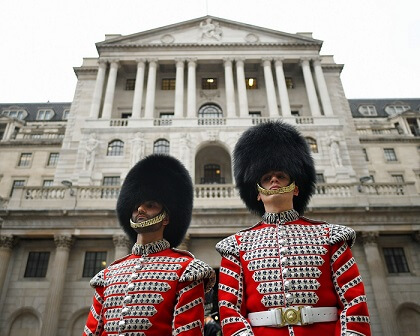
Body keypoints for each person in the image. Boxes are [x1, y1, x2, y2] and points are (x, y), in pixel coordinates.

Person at [216, 122, 371, 336]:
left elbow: (353, 302)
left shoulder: (330, 237)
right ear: (258, 193)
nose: (274, 180)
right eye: (265, 178)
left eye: (282, 176)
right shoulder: (236, 246)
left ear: (296, 188)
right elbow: (230, 311)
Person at [83, 154, 216, 336]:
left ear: (166, 218)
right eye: (136, 204)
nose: (140, 209)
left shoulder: (187, 271)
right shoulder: (108, 275)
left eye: (150, 205)